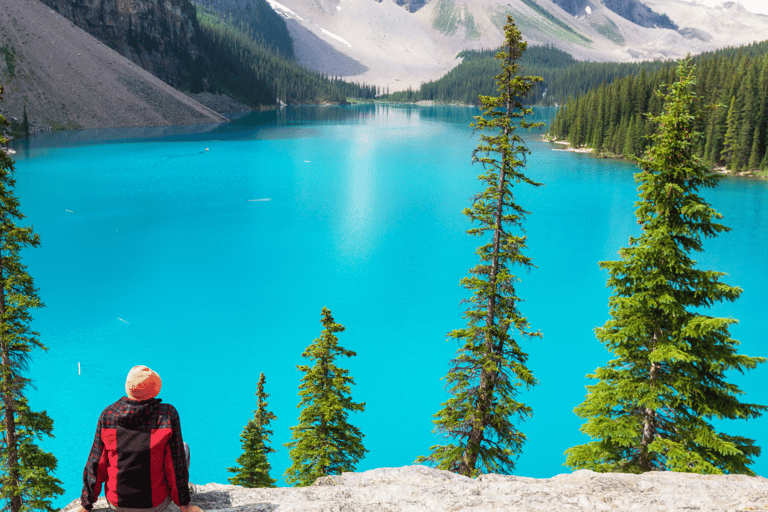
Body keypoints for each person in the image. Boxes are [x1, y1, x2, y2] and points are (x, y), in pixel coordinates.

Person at [78, 366, 202, 512]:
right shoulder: (167, 414)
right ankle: (183, 494)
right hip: (155, 505)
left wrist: (86, 504)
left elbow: (96, 463)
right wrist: (185, 505)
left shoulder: (108, 414)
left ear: (127, 387)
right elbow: (175, 465)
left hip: (117, 505)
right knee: (183, 448)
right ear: (156, 389)